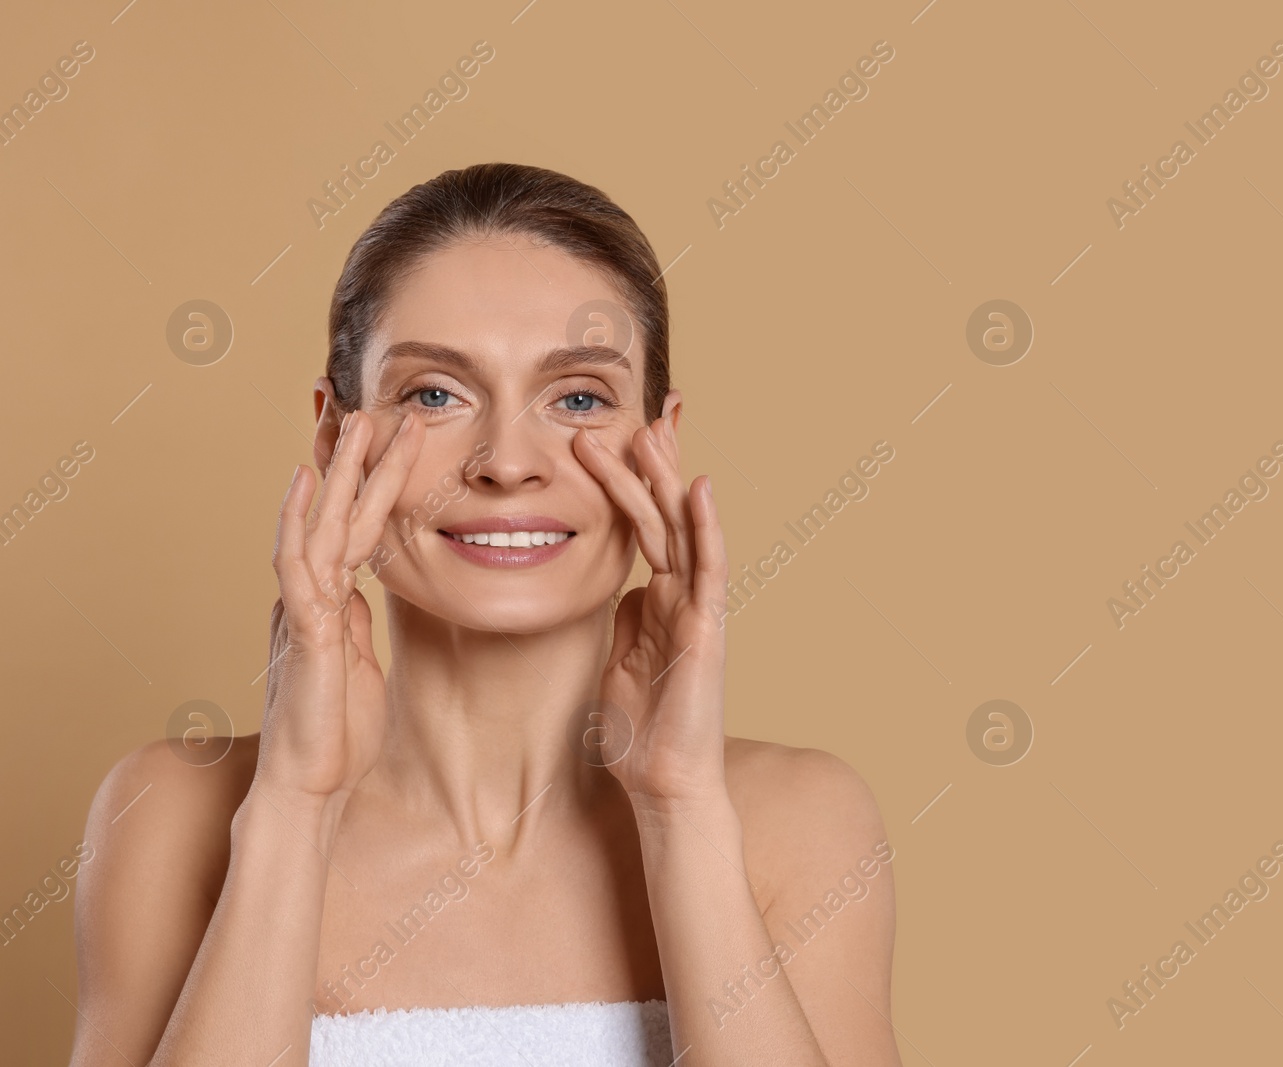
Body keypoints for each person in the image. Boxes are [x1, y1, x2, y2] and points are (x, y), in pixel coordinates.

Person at [68, 162, 900, 1067]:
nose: (508, 462)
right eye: (435, 394)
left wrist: (680, 809)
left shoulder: (802, 824)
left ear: (658, 440)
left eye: (578, 397)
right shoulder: (171, 814)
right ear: (334, 433)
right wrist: (294, 807)